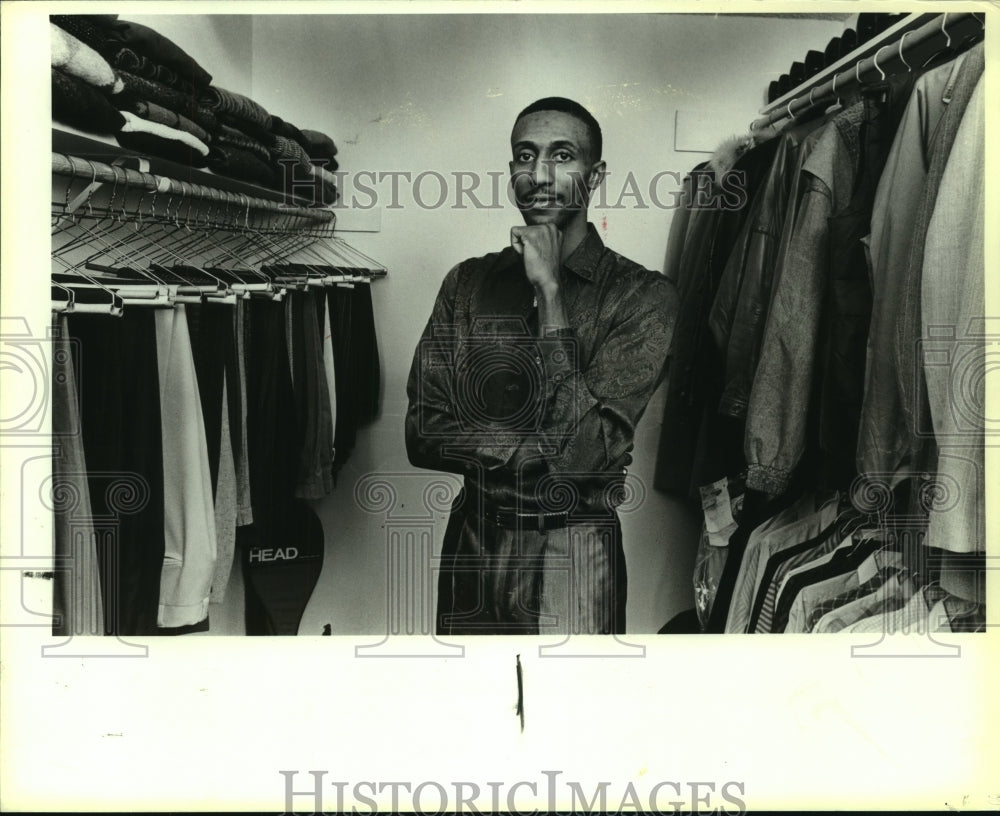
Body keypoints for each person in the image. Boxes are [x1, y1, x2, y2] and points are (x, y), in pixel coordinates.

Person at [405, 97, 678, 635]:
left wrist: (550, 292)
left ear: (595, 175)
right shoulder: (467, 282)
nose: (540, 174)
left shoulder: (645, 296)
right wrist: (537, 448)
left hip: (574, 551)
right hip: (474, 545)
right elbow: (423, 433)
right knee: (470, 688)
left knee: (571, 691)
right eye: (525, 155)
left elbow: (581, 458)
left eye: (562, 155)